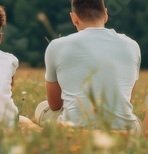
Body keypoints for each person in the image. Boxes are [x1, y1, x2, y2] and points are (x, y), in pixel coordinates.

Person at [34, 0, 142, 131]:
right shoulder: (132, 45)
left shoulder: (56, 46)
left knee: (42, 107)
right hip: (124, 129)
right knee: (135, 119)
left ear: (74, 18)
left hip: (74, 129)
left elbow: (55, 105)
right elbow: (127, 99)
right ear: (105, 14)